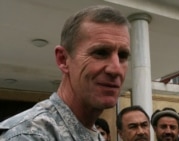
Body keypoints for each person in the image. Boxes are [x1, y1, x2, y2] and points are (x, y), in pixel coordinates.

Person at [0, 5, 131, 141]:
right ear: (63, 59)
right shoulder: (29, 136)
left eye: (123, 55)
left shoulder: (95, 135)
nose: (116, 69)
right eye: (100, 53)